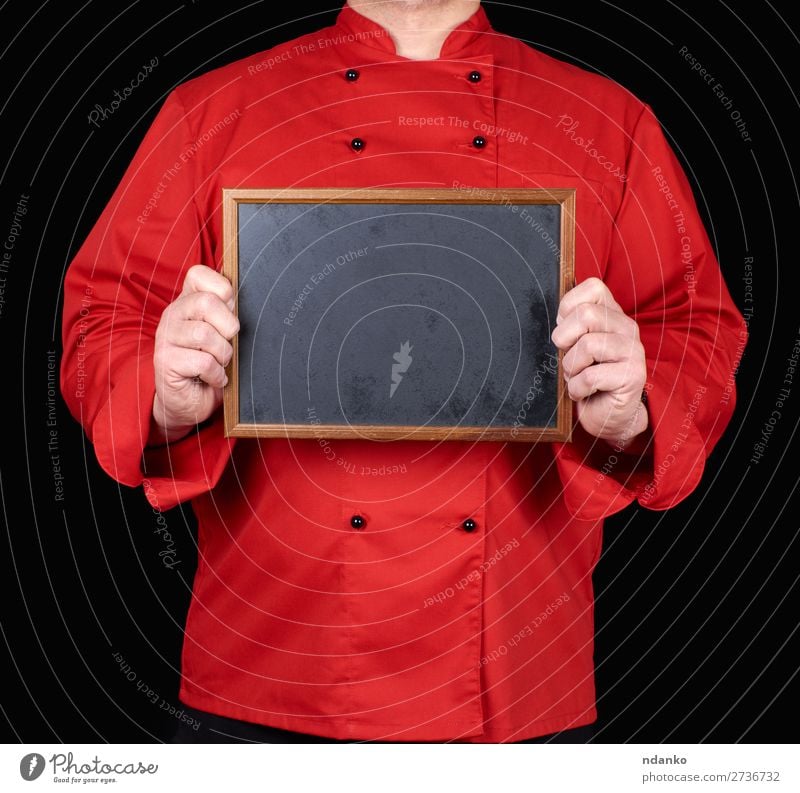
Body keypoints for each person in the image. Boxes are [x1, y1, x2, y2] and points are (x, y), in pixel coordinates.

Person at [60, 0, 746, 743]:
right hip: (276, 669)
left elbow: (696, 327)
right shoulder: (211, 112)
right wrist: (159, 389)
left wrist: (637, 406)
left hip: (514, 684)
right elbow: (103, 316)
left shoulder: (608, 121)